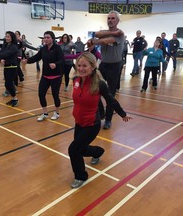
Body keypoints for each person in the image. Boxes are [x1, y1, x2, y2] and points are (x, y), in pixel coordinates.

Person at [68, 52, 132, 188]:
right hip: (79, 122)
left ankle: (81, 176)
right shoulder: (76, 80)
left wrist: (122, 114)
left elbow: (111, 101)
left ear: (92, 66)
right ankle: (98, 152)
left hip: (91, 124)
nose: (81, 68)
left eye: (84, 65)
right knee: (82, 150)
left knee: (73, 150)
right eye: (79, 65)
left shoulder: (99, 84)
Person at [87, 10, 125, 130]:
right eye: (108, 18)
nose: (110, 20)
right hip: (103, 65)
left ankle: (108, 120)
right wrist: (97, 37)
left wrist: (93, 41)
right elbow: (98, 33)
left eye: (113, 18)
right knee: (94, 89)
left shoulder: (120, 34)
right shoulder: (105, 32)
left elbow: (104, 41)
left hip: (115, 66)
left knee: (110, 95)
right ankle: (101, 113)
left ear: (118, 21)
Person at [22, 31, 64, 121]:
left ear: (52, 38)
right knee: (41, 94)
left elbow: (62, 60)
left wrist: (56, 64)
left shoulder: (57, 48)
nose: (45, 39)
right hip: (45, 76)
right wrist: (27, 60)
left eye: (48, 37)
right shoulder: (43, 48)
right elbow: (37, 57)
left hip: (56, 76)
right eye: (44, 37)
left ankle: (57, 113)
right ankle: (45, 113)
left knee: (55, 95)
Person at [0, 31, 19, 107]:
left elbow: (7, 54)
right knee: (7, 83)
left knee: (8, 83)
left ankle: (15, 99)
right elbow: (3, 53)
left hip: (12, 67)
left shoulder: (14, 46)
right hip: (6, 66)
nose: (7, 38)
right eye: (6, 36)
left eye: (8, 36)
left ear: (12, 37)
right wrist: (1, 59)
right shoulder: (5, 45)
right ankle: (13, 99)